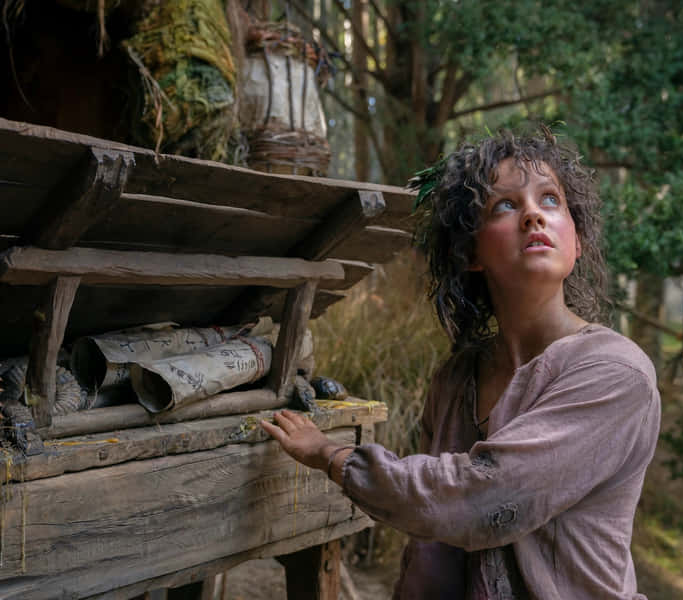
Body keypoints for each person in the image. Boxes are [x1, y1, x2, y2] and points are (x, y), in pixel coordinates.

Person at [260, 126, 661, 599]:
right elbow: (430, 557)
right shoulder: (455, 380)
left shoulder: (614, 373)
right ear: (470, 252)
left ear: (576, 241)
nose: (533, 214)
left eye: (550, 200)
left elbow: (485, 499)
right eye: (505, 205)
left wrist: (333, 456)